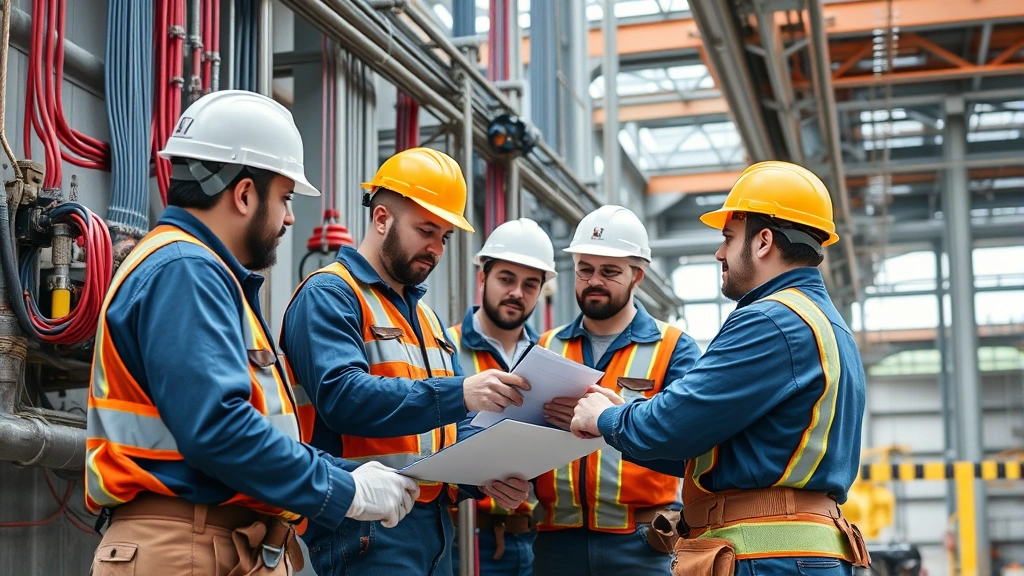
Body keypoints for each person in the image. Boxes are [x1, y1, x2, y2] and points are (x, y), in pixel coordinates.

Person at [85, 91, 418, 576]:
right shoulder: (186, 271)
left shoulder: (198, 272)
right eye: (284, 197)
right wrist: (346, 491)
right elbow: (219, 430)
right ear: (243, 194)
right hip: (188, 544)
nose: (288, 217)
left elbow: (246, 430)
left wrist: (348, 474)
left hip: (211, 541)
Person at [571, 162, 870, 576]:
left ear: (763, 241)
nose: (719, 252)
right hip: (801, 553)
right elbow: (704, 449)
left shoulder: (770, 320)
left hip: (765, 558)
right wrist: (622, 419)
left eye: (729, 238)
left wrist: (605, 417)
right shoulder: (825, 323)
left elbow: (674, 424)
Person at [282, 147, 530, 576]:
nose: (436, 248)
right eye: (426, 230)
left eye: (445, 237)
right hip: (361, 527)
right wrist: (463, 391)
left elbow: (441, 435)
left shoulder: (428, 319)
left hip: (432, 529)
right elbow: (343, 398)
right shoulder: (330, 295)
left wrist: (485, 475)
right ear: (382, 219)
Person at [534, 205, 702, 576]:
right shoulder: (545, 347)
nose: (594, 280)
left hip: (644, 544)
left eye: (609, 271)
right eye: (585, 269)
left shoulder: (674, 348)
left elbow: (688, 438)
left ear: (637, 275)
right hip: (556, 542)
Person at [446, 218, 558, 575]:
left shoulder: (550, 359)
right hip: (457, 538)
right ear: (483, 277)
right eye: (506, 279)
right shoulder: (443, 346)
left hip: (529, 543)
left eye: (530, 285)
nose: (517, 293)